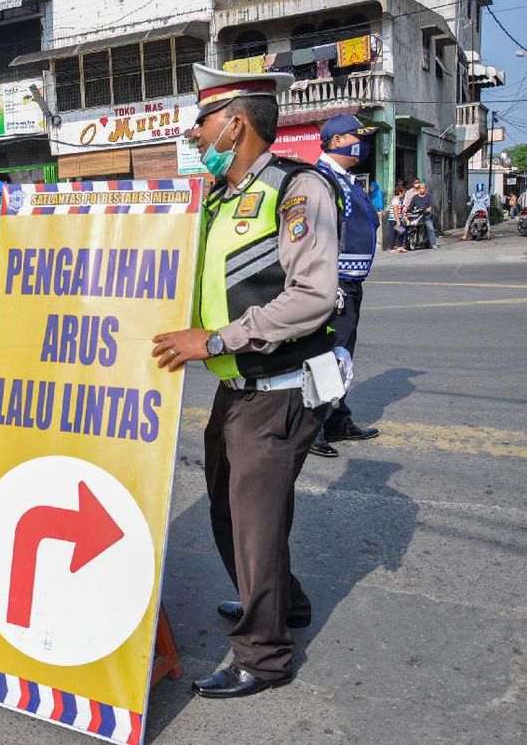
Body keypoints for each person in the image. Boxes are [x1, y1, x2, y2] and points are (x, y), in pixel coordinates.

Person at [151, 63, 339, 698]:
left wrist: (216, 340)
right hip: (234, 393)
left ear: (235, 122)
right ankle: (280, 604)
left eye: (203, 121)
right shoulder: (219, 199)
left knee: (254, 524)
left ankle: (263, 655)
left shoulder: (297, 190)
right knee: (230, 517)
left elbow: (313, 296)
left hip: (278, 389)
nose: (194, 133)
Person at [308, 115, 383, 458]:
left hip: (351, 283)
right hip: (333, 283)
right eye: (358, 136)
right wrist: (326, 282)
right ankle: (312, 430)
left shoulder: (346, 179)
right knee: (326, 356)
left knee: (343, 355)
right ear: (337, 141)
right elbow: (311, 236)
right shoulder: (320, 179)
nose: (363, 144)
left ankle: (338, 421)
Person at [408, 181, 439, 249]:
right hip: (416, 216)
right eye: (420, 188)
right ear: (418, 189)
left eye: (423, 188)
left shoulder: (429, 197)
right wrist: (407, 211)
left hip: (426, 216)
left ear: (425, 189)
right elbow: (410, 207)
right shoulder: (415, 197)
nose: (421, 189)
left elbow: (430, 207)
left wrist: (427, 209)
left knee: (430, 228)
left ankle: (433, 244)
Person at [368, 179, 385, 247]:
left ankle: (378, 243)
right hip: (371, 211)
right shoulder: (370, 194)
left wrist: (381, 208)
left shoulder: (379, 192)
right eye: (370, 186)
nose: (370, 188)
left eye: (371, 187)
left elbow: (380, 201)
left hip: (377, 211)